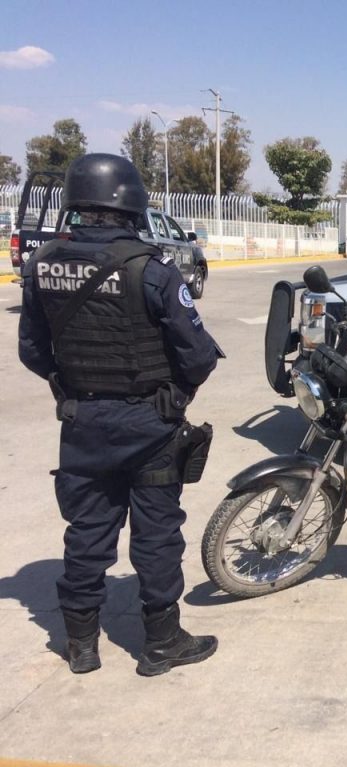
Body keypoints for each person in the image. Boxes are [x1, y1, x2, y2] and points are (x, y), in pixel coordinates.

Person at [18, 153, 222, 676]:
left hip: (82, 422)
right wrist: (175, 395)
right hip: (149, 424)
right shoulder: (151, 269)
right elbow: (197, 355)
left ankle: (81, 644)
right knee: (156, 534)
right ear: (131, 204)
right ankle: (161, 643)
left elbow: (33, 352)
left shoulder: (42, 264)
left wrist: (73, 384)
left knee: (87, 530)